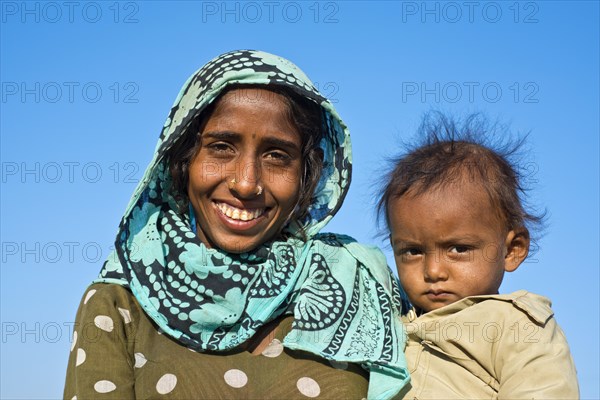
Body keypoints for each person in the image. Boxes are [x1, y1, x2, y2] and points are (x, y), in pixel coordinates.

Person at [63, 50, 409, 400]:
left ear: (308, 173)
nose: (246, 183)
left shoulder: (359, 282)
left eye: (276, 155)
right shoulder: (121, 306)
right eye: (222, 147)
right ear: (181, 159)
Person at [377, 113, 579, 399]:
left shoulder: (515, 326)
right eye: (413, 251)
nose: (433, 271)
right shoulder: (386, 321)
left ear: (512, 249)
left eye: (459, 249)